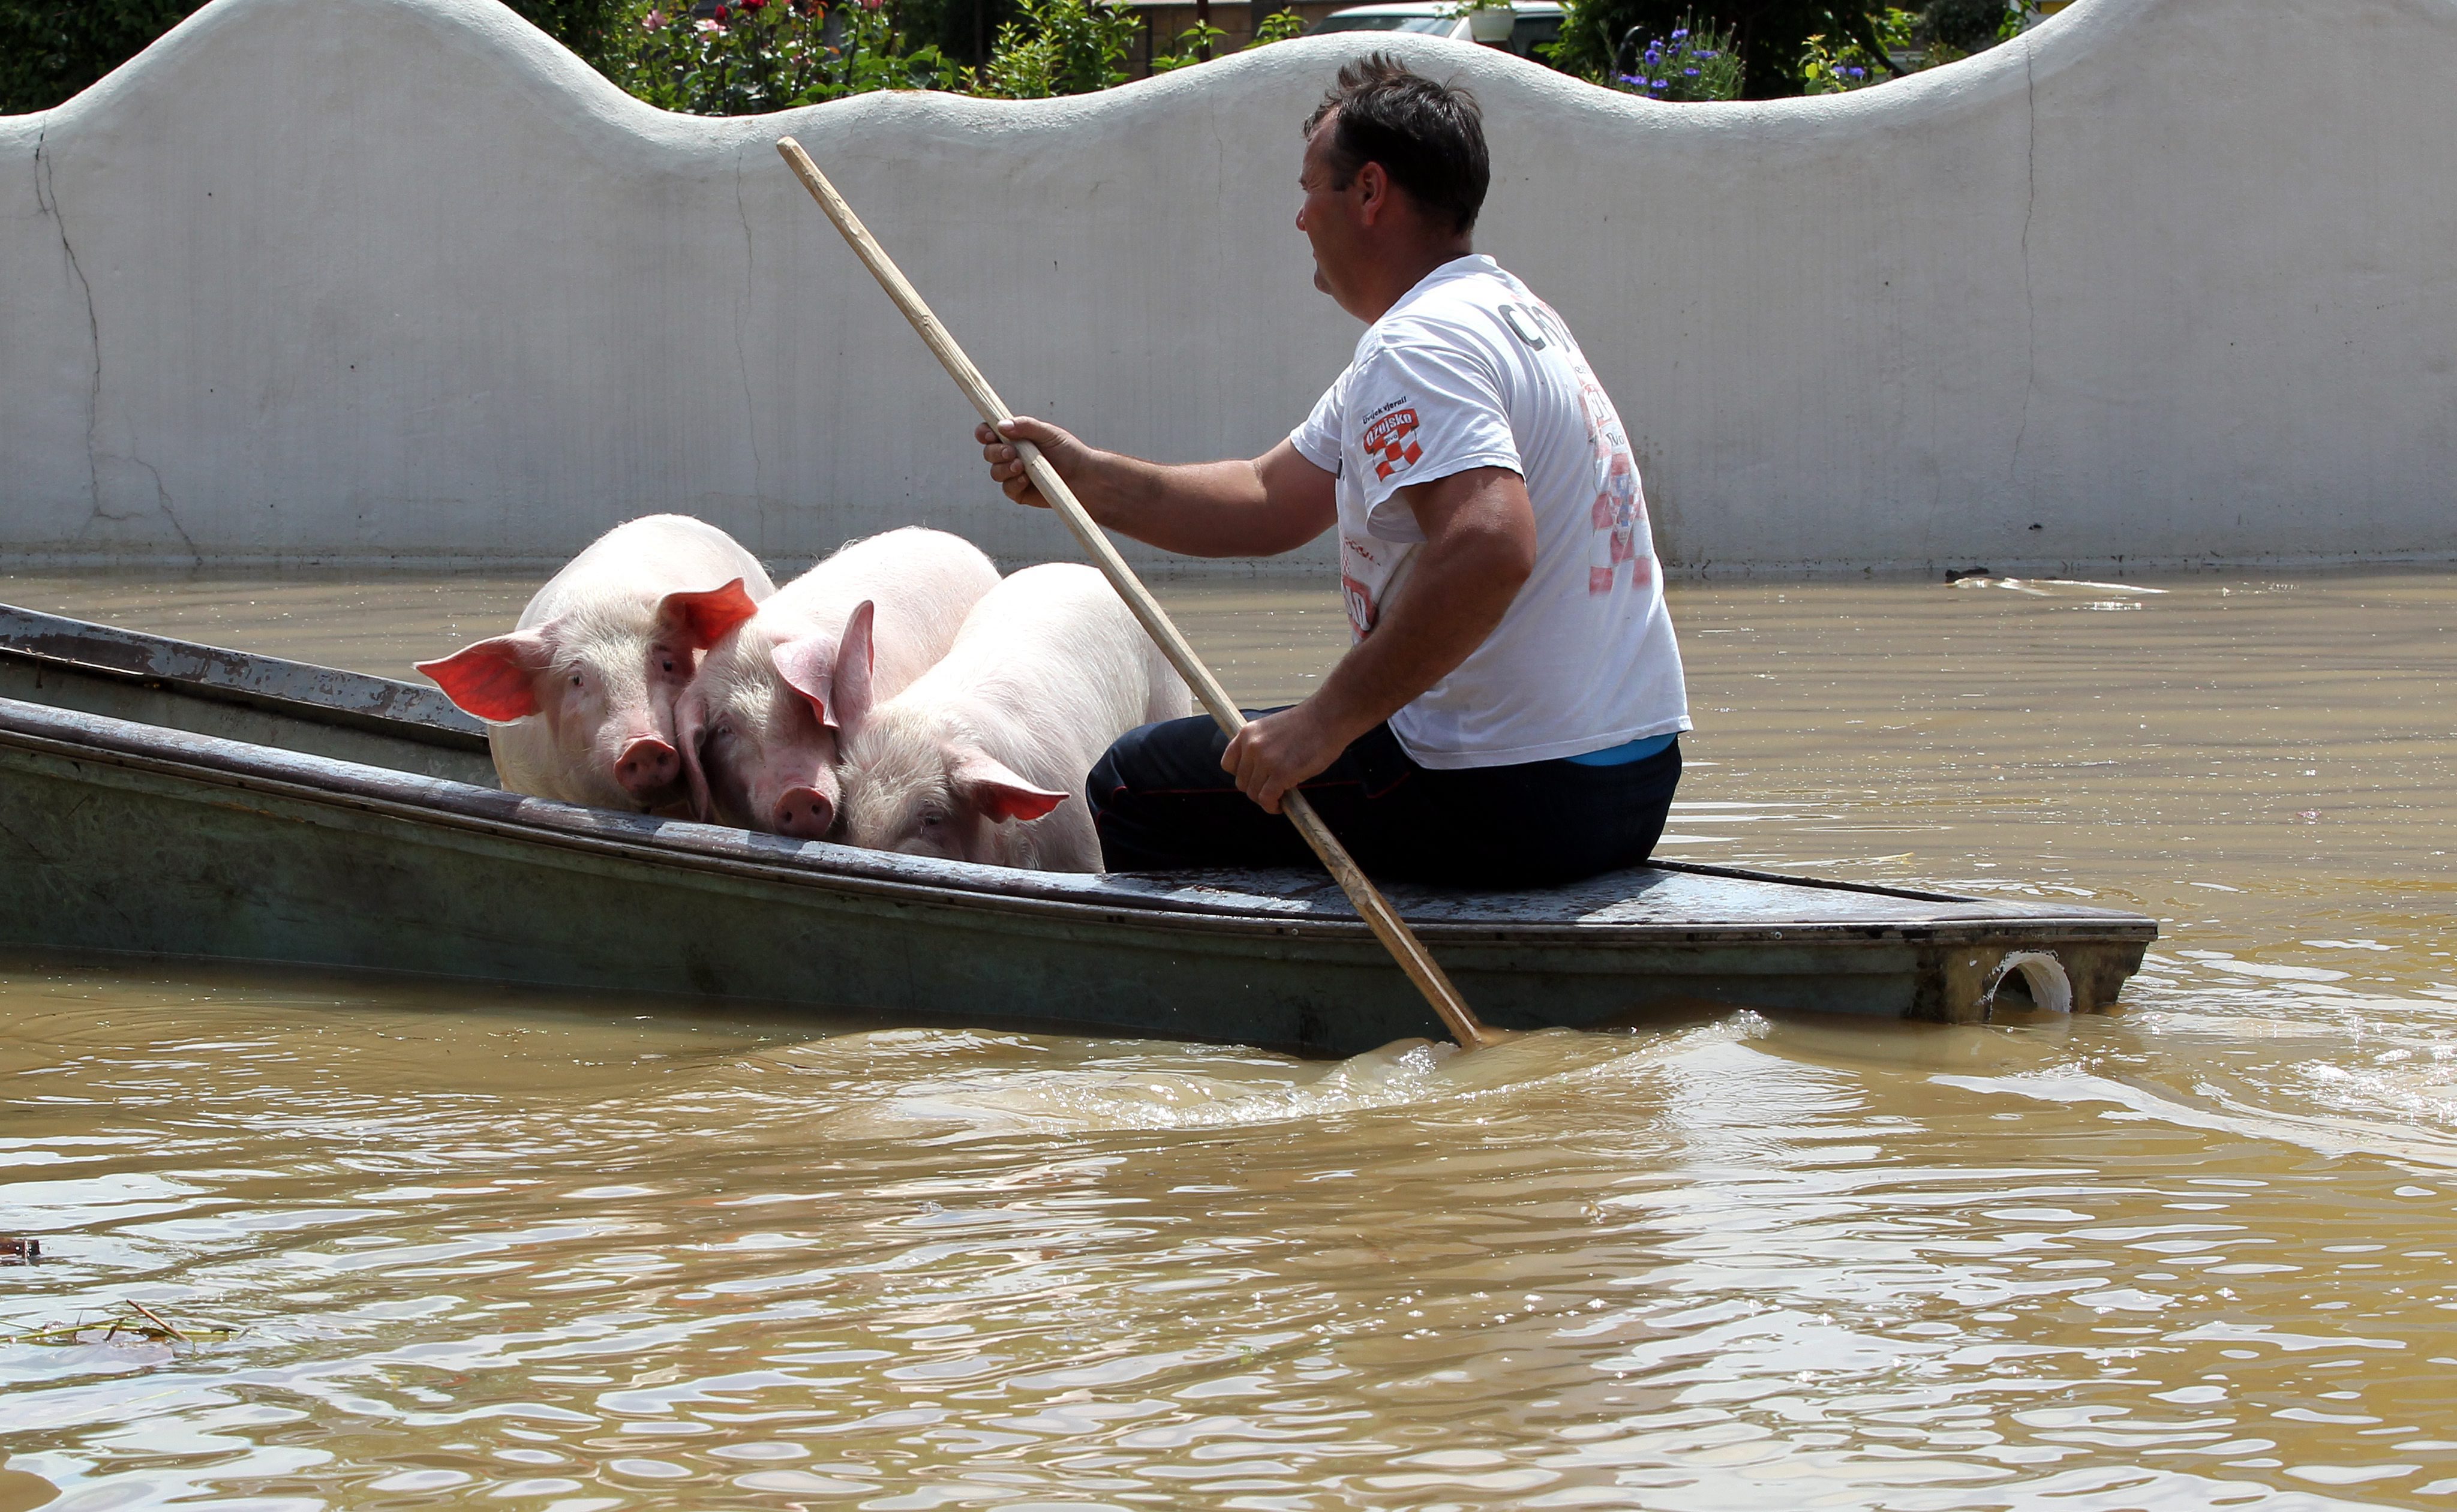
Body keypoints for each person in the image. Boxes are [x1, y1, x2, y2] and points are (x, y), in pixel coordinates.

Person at [976, 53, 1689, 888]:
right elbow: (1268, 498)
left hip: (1514, 794)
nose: (1301, 218)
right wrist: (1086, 478)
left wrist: (1324, 723)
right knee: (1246, 754)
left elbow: (1492, 545)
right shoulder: (1505, 315)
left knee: (1132, 784)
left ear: (1371, 193)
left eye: (1312, 187)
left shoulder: (1417, 346)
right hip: (1634, 786)